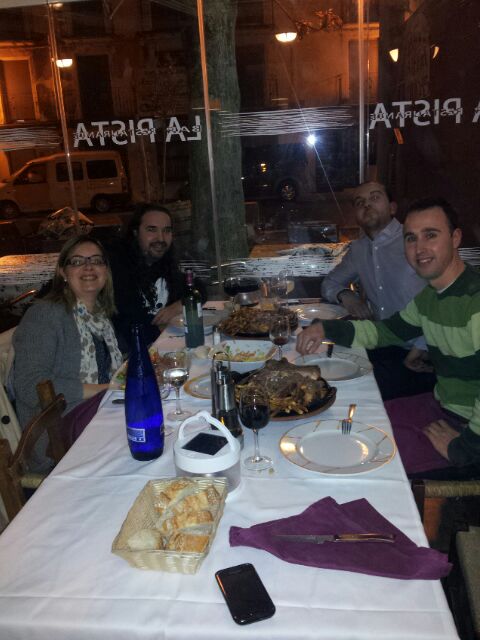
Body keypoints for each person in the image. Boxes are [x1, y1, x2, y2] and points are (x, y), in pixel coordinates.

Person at [297, 197, 480, 477]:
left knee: (363, 461)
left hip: (467, 431)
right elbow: (385, 332)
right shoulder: (430, 297)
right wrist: (326, 329)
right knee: (353, 427)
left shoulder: (474, 301)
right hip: (442, 405)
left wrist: (464, 449)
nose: (419, 248)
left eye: (431, 235)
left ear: (455, 238)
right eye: (411, 238)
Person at [13, 236, 123, 469]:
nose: (89, 267)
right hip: (57, 434)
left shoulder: (100, 316)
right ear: (63, 272)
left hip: (101, 414)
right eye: (77, 261)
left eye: (96, 260)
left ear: (106, 270)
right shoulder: (45, 314)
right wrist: (105, 389)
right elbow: (28, 384)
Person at [321, 181, 435, 400]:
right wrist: (346, 296)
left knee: (348, 389)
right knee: (328, 365)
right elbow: (329, 284)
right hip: (384, 342)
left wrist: (423, 346)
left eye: (374, 198)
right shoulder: (359, 249)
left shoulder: (413, 241)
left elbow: (442, 293)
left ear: (392, 207)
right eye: (359, 202)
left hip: (424, 352)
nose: (367, 205)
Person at [107, 203, 206, 348]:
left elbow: (200, 288)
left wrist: (179, 305)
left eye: (167, 230)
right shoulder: (118, 267)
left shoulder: (165, 263)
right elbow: (130, 322)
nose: (161, 238)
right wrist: (161, 327)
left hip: (165, 344)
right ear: (135, 232)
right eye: (151, 230)